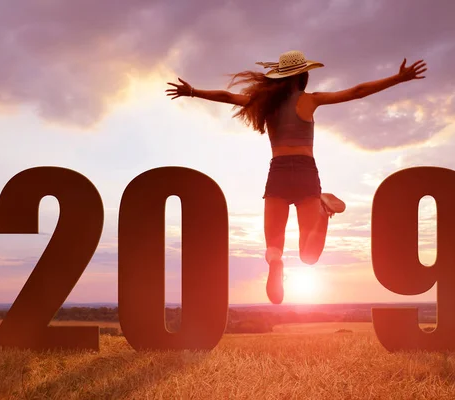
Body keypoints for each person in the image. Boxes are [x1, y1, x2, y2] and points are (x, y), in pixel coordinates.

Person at [166, 50, 427, 304]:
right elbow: (356, 92)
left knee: (273, 248)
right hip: (306, 173)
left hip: (278, 173)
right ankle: (322, 211)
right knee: (310, 257)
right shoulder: (310, 100)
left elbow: (227, 95)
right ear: (303, 76)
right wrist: (397, 78)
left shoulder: (264, 103)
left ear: (279, 77)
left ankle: (277, 263)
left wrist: (192, 92)